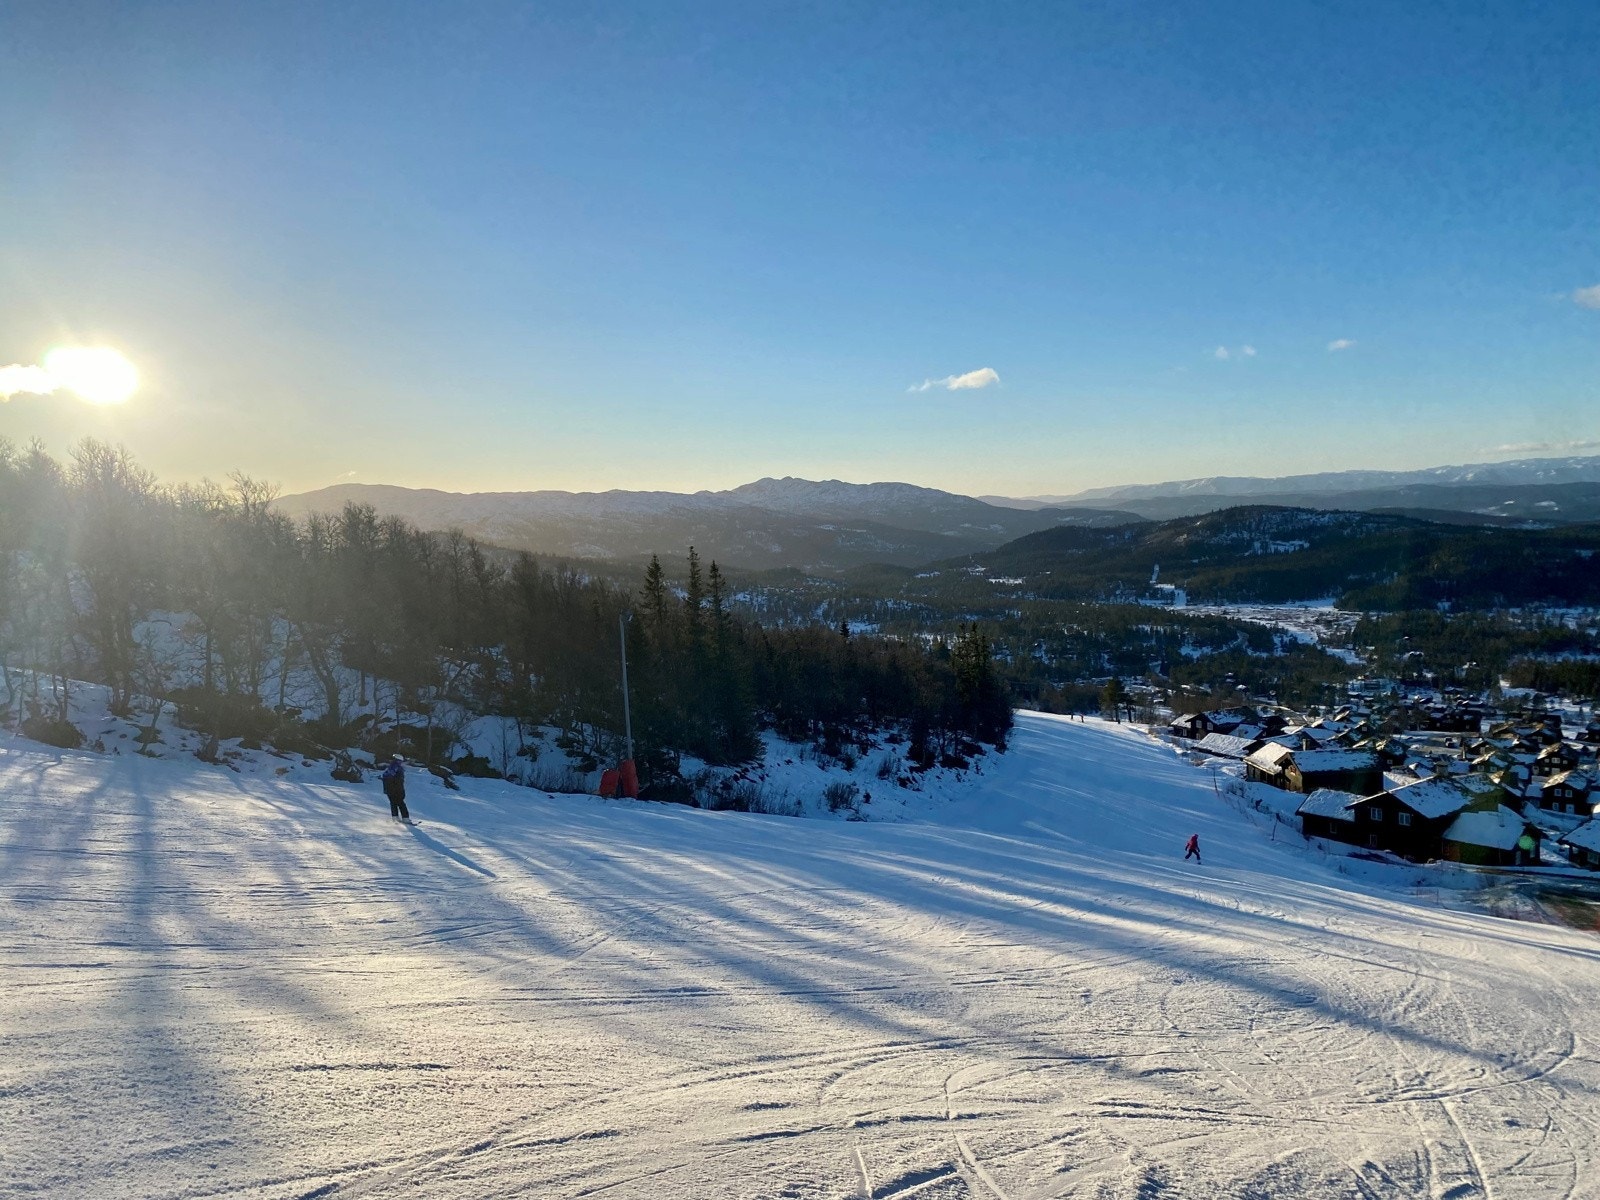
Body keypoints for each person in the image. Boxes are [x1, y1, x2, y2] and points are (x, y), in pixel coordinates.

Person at [381, 754, 411, 822]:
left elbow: (386, 776)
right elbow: (394, 776)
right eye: (401, 761)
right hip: (396, 789)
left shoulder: (391, 767)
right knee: (400, 802)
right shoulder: (396, 767)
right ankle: (405, 818)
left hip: (389, 788)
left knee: (393, 803)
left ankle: (395, 818)